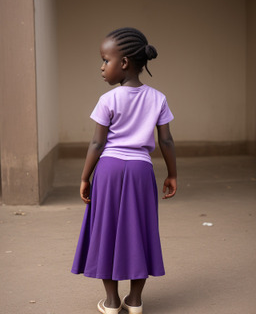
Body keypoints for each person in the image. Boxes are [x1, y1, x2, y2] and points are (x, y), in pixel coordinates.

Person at [71, 27, 177, 314]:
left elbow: (97, 142)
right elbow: (165, 140)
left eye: (106, 60)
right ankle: (135, 300)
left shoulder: (108, 100)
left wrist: (84, 177)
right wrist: (172, 174)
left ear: (125, 63)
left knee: (106, 231)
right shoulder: (158, 98)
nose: (102, 67)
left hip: (108, 171)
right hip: (141, 173)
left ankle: (111, 301)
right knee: (140, 231)